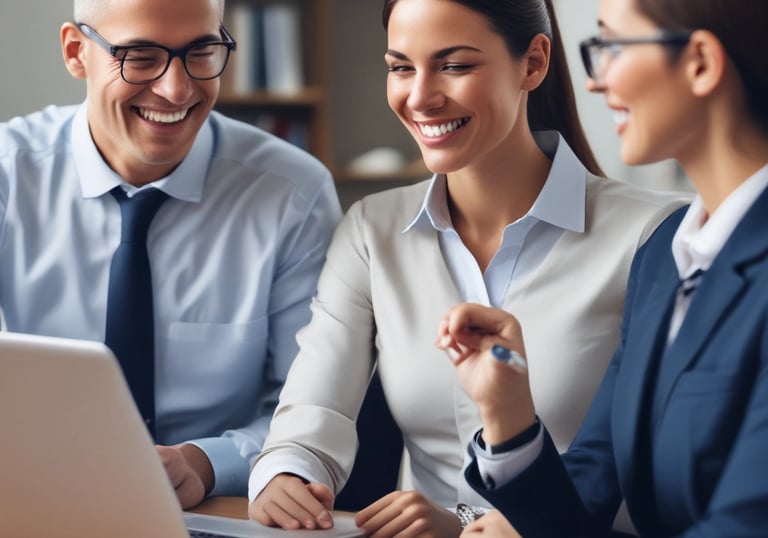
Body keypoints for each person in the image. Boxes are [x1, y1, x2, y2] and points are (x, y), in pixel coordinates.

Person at [247, 0, 686, 535]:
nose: (420, 96)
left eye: (454, 66)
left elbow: (632, 476)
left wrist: (464, 525)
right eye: (400, 67)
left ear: (534, 62)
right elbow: (315, 409)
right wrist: (286, 474)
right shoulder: (371, 230)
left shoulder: (652, 236)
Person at [440, 0, 768, 536]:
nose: (596, 82)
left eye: (612, 47)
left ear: (701, 62)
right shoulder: (664, 254)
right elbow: (581, 507)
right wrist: (508, 417)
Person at [0, 0, 341, 509]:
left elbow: (313, 407)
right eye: (140, 56)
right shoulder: (8, 177)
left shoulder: (293, 193)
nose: (177, 89)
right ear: (76, 52)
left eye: (201, 51)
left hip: (210, 509)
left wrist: (207, 462)